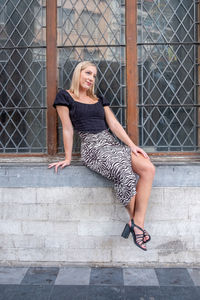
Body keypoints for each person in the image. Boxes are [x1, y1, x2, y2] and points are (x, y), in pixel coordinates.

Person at [48, 61, 155, 251]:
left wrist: (132, 146)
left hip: (111, 144)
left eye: (94, 76)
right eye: (88, 73)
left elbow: (114, 125)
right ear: (78, 73)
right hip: (92, 148)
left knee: (148, 168)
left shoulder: (98, 99)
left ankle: (136, 223)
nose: (91, 78)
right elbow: (67, 128)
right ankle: (137, 227)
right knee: (125, 173)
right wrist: (67, 158)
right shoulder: (65, 96)